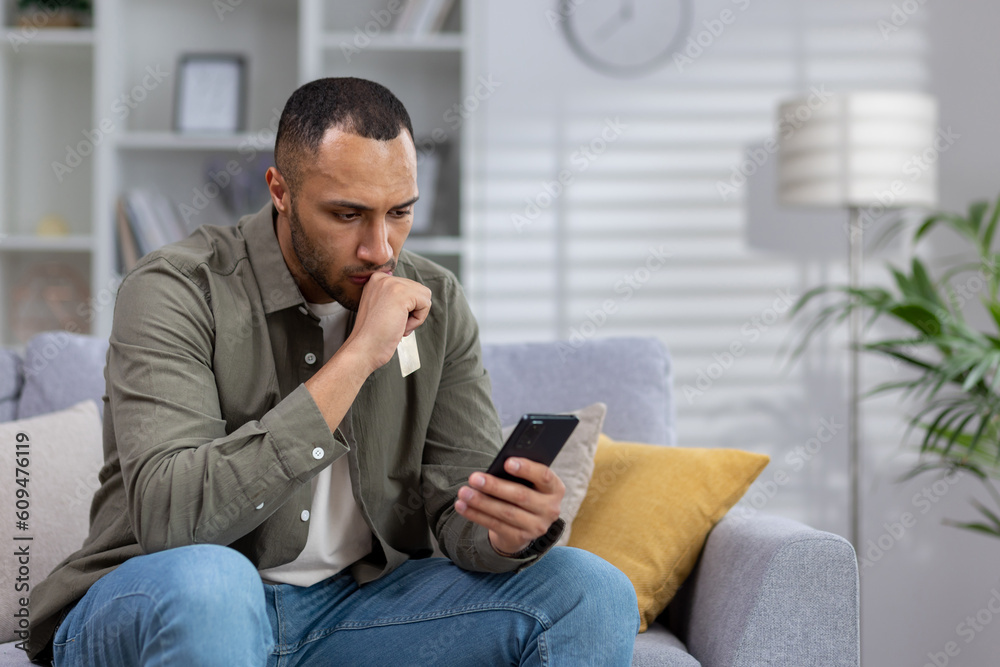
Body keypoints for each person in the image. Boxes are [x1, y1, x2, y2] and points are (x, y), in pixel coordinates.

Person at [26, 77, 639, 666]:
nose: (381, 248)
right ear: (280, 190)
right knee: (216, 585)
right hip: (168, 599)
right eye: (348, 215)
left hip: (348, 613)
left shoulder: (437, 300)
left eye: (400, 212)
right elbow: (173, 520)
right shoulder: (176, 289)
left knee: (591, 590)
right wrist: (358, 356)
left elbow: (459, 506)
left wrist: (508, 533)